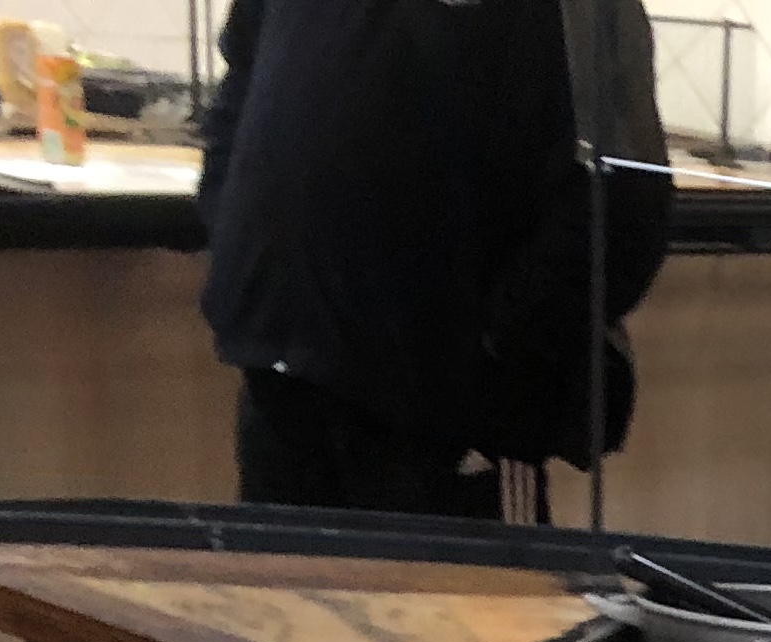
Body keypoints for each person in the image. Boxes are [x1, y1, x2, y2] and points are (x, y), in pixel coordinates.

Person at [199, 0, 673, 516]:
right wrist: (236, 235)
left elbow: (625, 201)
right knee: (281, 571)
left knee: (467, 568)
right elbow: (241, 79)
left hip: (444, 416)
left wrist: (495, 348)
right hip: (280, 382)